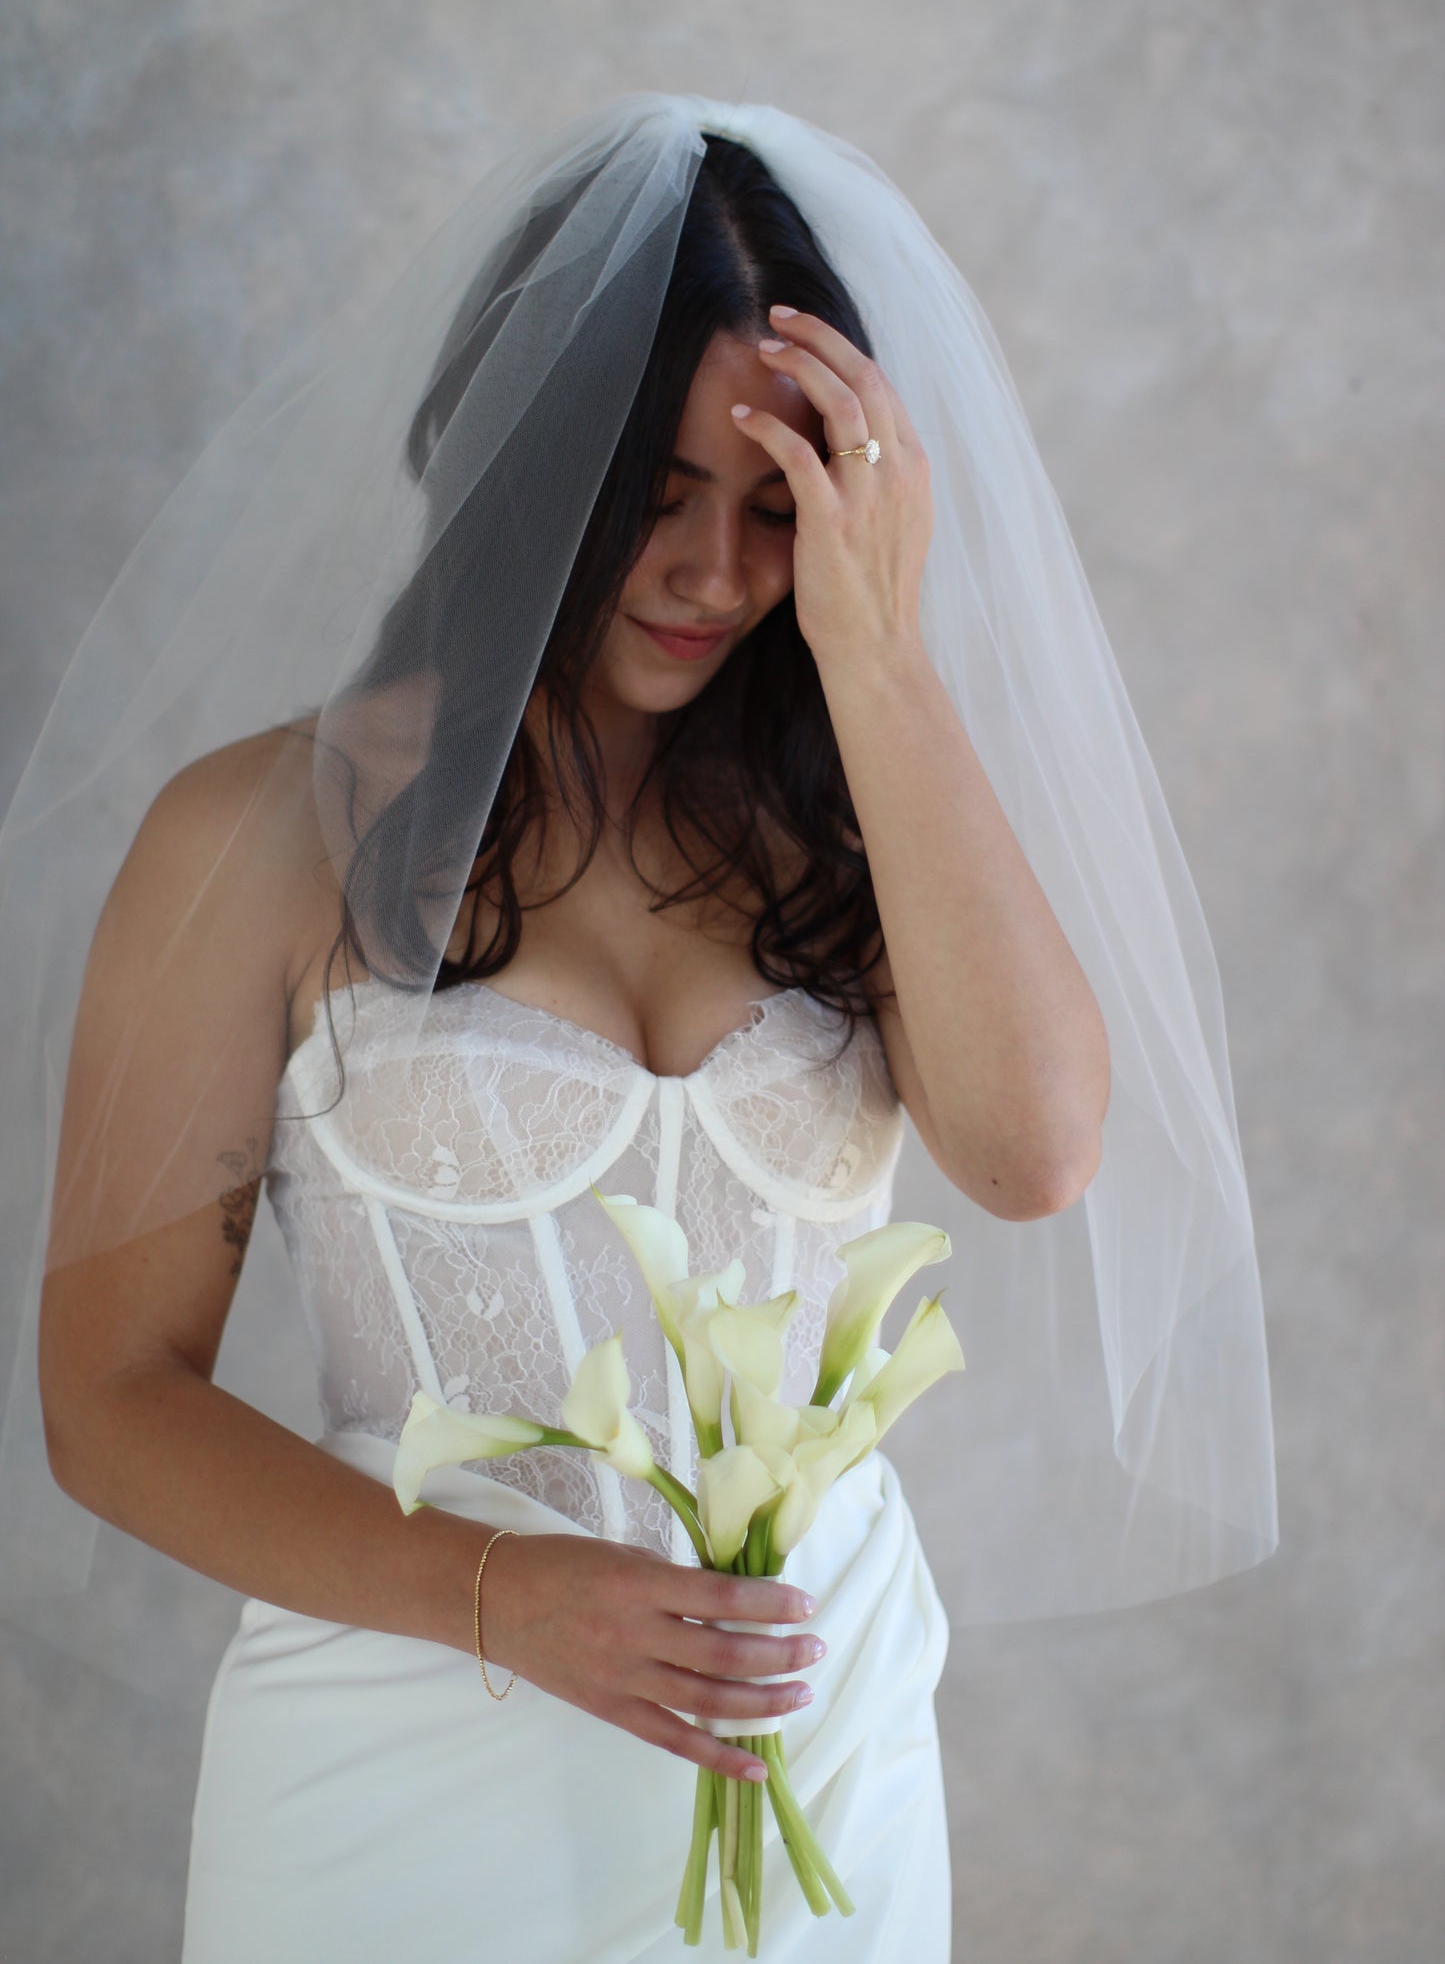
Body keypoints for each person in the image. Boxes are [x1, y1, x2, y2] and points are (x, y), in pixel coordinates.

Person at [1, 94, 1277, 1960]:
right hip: (406, 1758)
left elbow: (1034, 1155)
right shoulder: (261, 835)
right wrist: (497, 1593)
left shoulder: (856, 824)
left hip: (809, 1751)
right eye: (653, 497)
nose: (711, 573)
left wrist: (876, 652)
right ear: (523, 469)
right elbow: (109, 1404)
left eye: (772, 507)